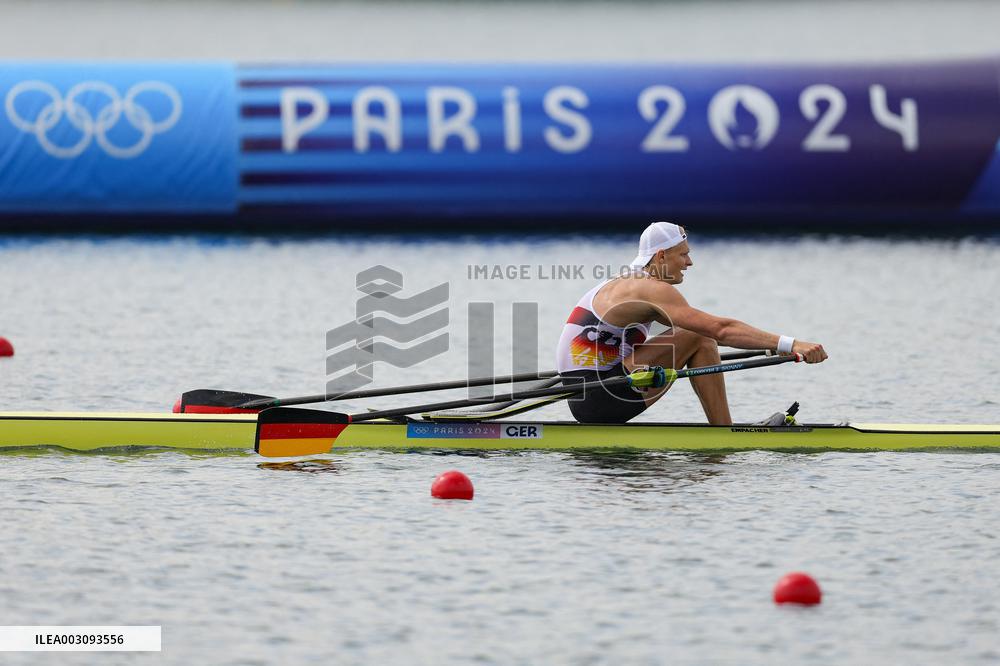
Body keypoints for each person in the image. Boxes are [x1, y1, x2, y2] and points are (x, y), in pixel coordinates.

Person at [555, 221, 827, 424]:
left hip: (587, 394)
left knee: (698, 337)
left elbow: (716, 336)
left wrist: (773, 345)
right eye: (683, 254)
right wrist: (793, 343)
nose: (689, 262)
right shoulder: (647, 289)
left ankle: (723, 431)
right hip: (602, 397)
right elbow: (718, 329)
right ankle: (724, 434)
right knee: (696, 335)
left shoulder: (623, 283)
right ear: (661, 256)